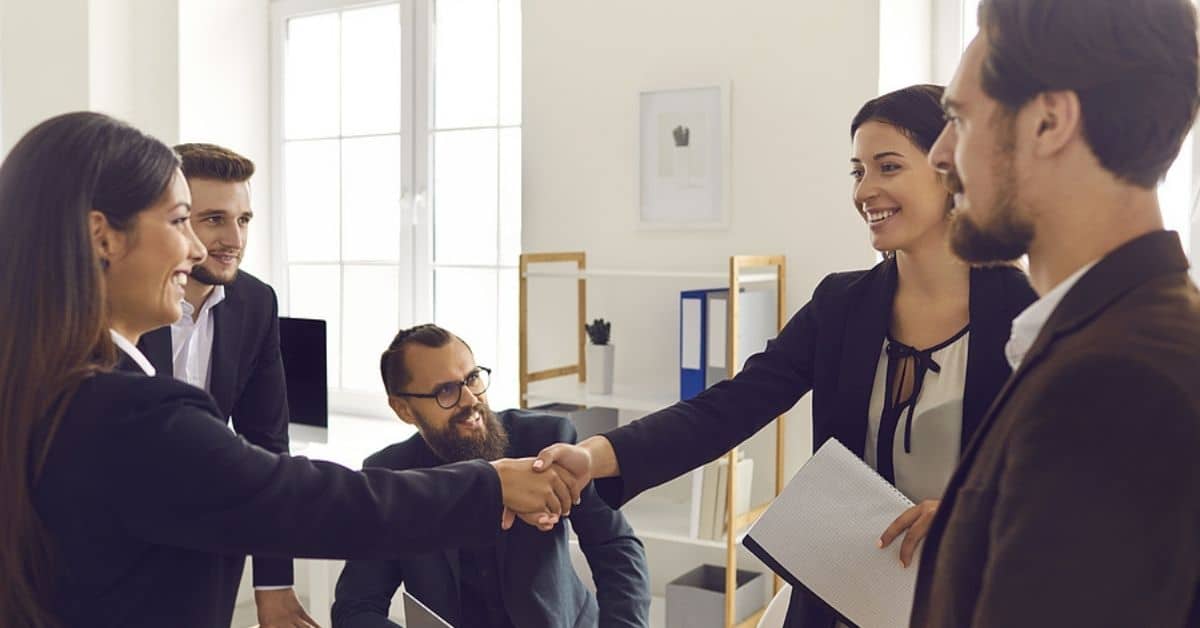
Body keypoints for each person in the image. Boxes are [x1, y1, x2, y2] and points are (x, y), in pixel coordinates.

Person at [0, 111, 579, 628]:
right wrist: (490, 483)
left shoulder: (38, 381)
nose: (199, 251)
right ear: (103, 236)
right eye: (181, 222)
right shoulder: (132, 411)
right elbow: (303, 499)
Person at [534, 85, 1037, 627]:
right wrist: (594, 456)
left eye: (888, 167)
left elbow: (1070, 476)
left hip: (970, 598)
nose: (865, 190)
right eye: (857, 171)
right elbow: (725, 409)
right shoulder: (841, 305)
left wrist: (977, 516)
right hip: (841, 597)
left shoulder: (1025, 314)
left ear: (950, 169)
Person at [908, 1, 1200, 625]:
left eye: (959, 117)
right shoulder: (1128, 335)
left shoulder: (1115, 383)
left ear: (1048, 122)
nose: (939, 153)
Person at [331, 324, 651, 628]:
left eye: (471, 378)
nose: (471, 400)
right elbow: (356, 607)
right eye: (445, 391)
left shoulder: (548, 440)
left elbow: (615, 546)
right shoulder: (390, 476)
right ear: (403, 409)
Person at [131, 143, 308, 626]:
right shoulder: (119, 301)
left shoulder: (256, 302)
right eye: (214, 220)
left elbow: (268, 443)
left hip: (209, 548)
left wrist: (274, 584)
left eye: (244, 220)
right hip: (115, 549)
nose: (235, 239)